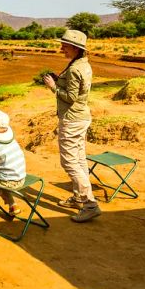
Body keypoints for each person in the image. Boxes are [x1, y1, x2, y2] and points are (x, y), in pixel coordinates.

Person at [43, 29, 101, 223]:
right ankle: (79, 197)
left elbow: (71, 97)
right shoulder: (82, 64)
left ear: (76, 48)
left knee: (69, 162)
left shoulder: (76, 68)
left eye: (65, 46)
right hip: (81, 118)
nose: (61, 49)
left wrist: (53, 87)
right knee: (79, 158)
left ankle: (90, 204)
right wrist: (59, 80)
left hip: (72, 119)